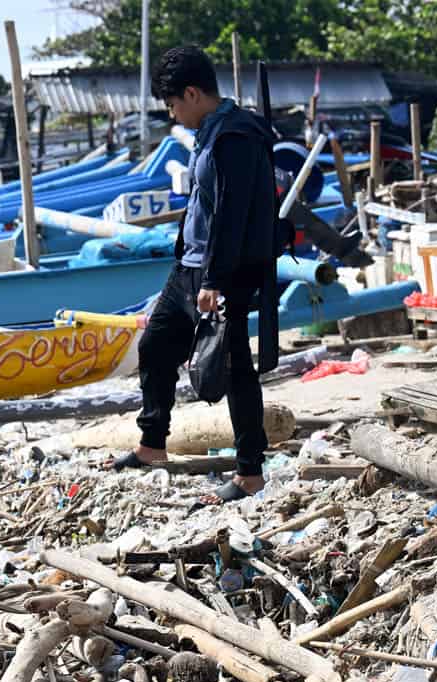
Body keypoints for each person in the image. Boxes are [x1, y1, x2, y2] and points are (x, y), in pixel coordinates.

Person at [109, 45, 281, 503]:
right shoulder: (209, 131)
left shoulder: (235, 137)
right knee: (155, 345)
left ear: (192, 93)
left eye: (172, 104)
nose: (173, 114)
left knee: (234, 367)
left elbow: (231, 214)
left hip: (223, 272)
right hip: (189, 266)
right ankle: (152, 444)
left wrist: (215, 280)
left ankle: (250, 473)